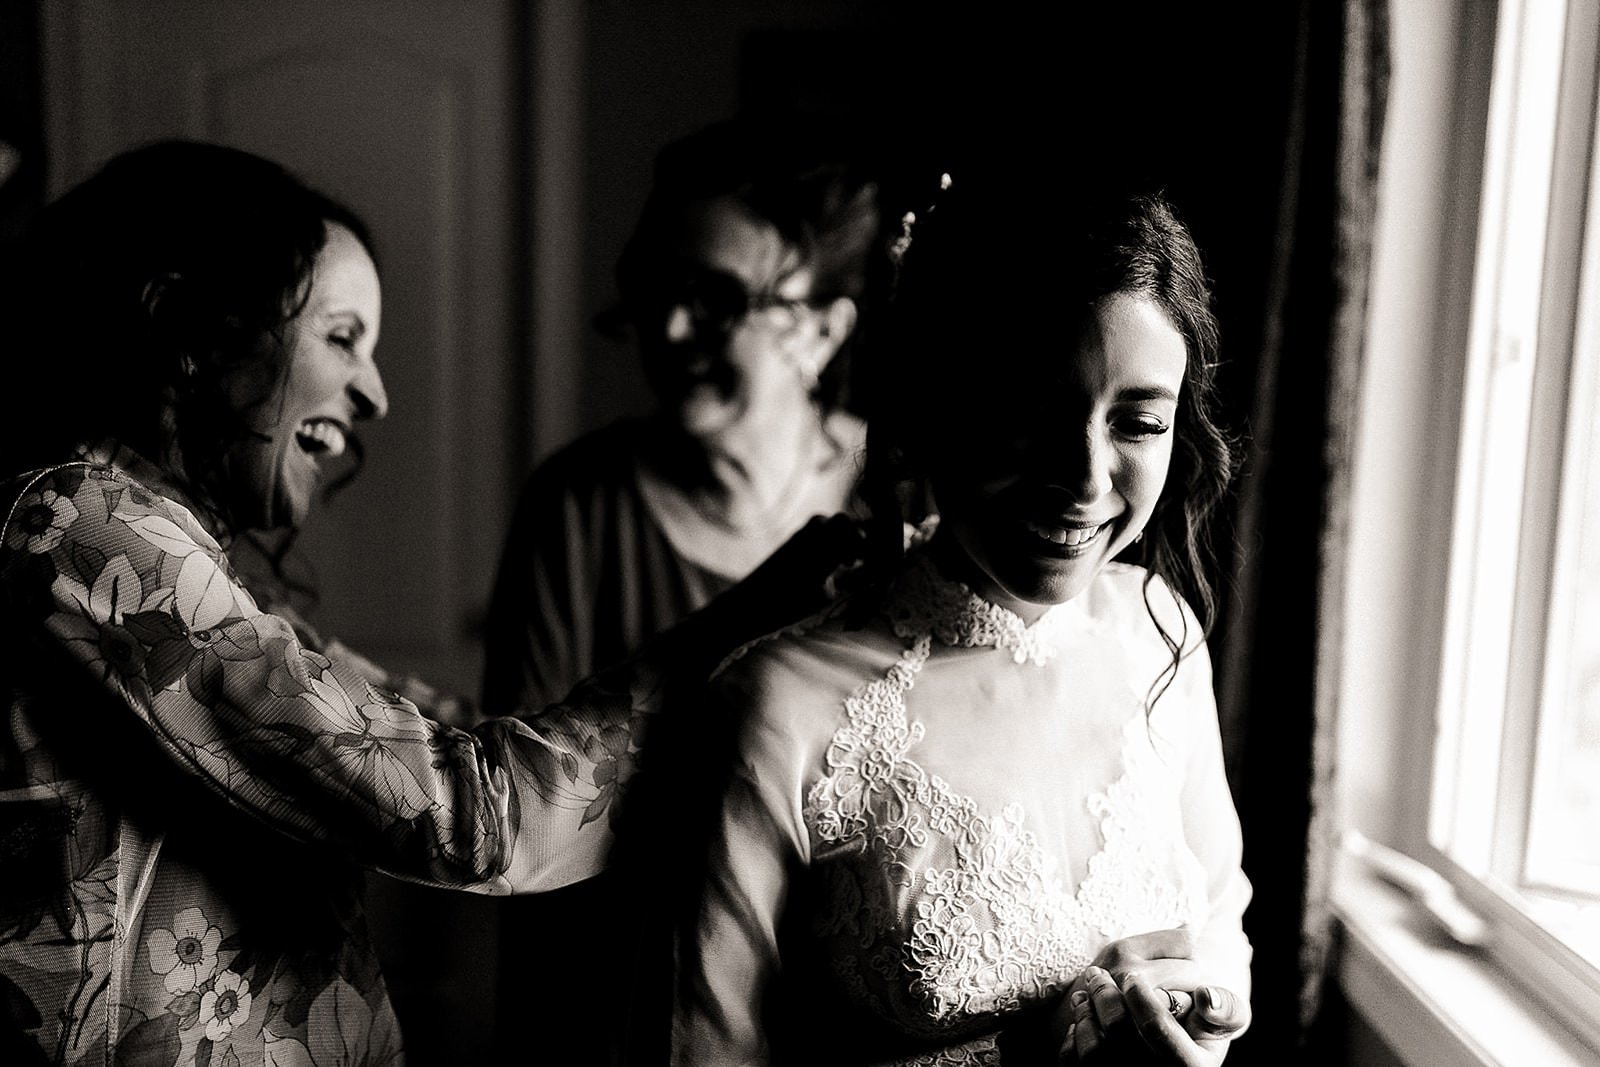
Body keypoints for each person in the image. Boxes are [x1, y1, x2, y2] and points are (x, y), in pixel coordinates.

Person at [0, 140, 849, 1067]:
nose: (375, 392)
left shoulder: (184, 552)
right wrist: (750, 615)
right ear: (193, 334)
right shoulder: (75, 528)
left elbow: (446, 731)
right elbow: (469, 816)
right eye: (341, 337)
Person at [670, 168, 1255, 1065]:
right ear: (929, 406)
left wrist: (1192, 1011)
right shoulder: (781, 708)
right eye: (1033, 413)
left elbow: (1221, 921)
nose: (1089, 479)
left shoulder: (1159, 630)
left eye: (1138, 423)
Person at [480, 115, 882, 718]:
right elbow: (515, 783)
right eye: (657, 285)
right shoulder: (575, 507)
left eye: (718, 299)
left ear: (822, 331)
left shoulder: (904, 493)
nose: (670, 328)